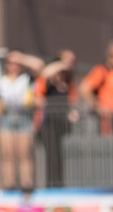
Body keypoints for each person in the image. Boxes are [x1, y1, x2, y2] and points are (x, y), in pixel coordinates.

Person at [0, 50, 43, 192]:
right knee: (7, 154)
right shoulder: (1, 81)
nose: (14, 65)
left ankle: (26, 185)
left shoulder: (27, 78)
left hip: (24, 116)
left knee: (24, 154)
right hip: (7, 117)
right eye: (10, 63)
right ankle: (9, 185)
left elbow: (39, 65)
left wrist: (21, 57)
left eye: (16, 63)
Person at [33, 50, 79, 188]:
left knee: (61, 155)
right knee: (51, 155)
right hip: (48, 123)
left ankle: (60, 184)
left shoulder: (69, 84)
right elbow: (43, 74)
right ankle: (51, 184)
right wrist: (61, 64)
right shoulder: (49, 82)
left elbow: (72, 103)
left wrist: (73, 113)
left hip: (63, 124)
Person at [79, 40, 113, 136]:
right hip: (106, 119)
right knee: (108, 147)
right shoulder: (101, 70)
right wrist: (98, 107)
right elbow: (84, 89)